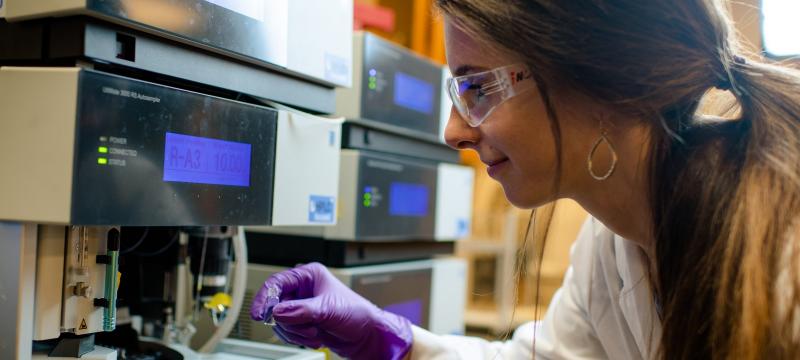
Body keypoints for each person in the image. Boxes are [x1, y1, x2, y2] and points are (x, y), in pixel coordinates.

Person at [251, 0, 800, 358]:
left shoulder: (781, 252)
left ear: (595, 80)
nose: (453, 132)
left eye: (477, 90)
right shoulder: (612, 243)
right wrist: (393, 339)